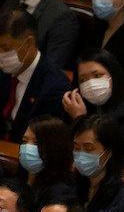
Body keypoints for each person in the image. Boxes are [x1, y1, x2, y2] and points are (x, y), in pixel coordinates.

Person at [0, 8, 74, 142]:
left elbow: (45, 143)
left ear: (28, 43)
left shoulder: (54, 87)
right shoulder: (3, 71)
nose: (1, 55)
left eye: (5, 49)